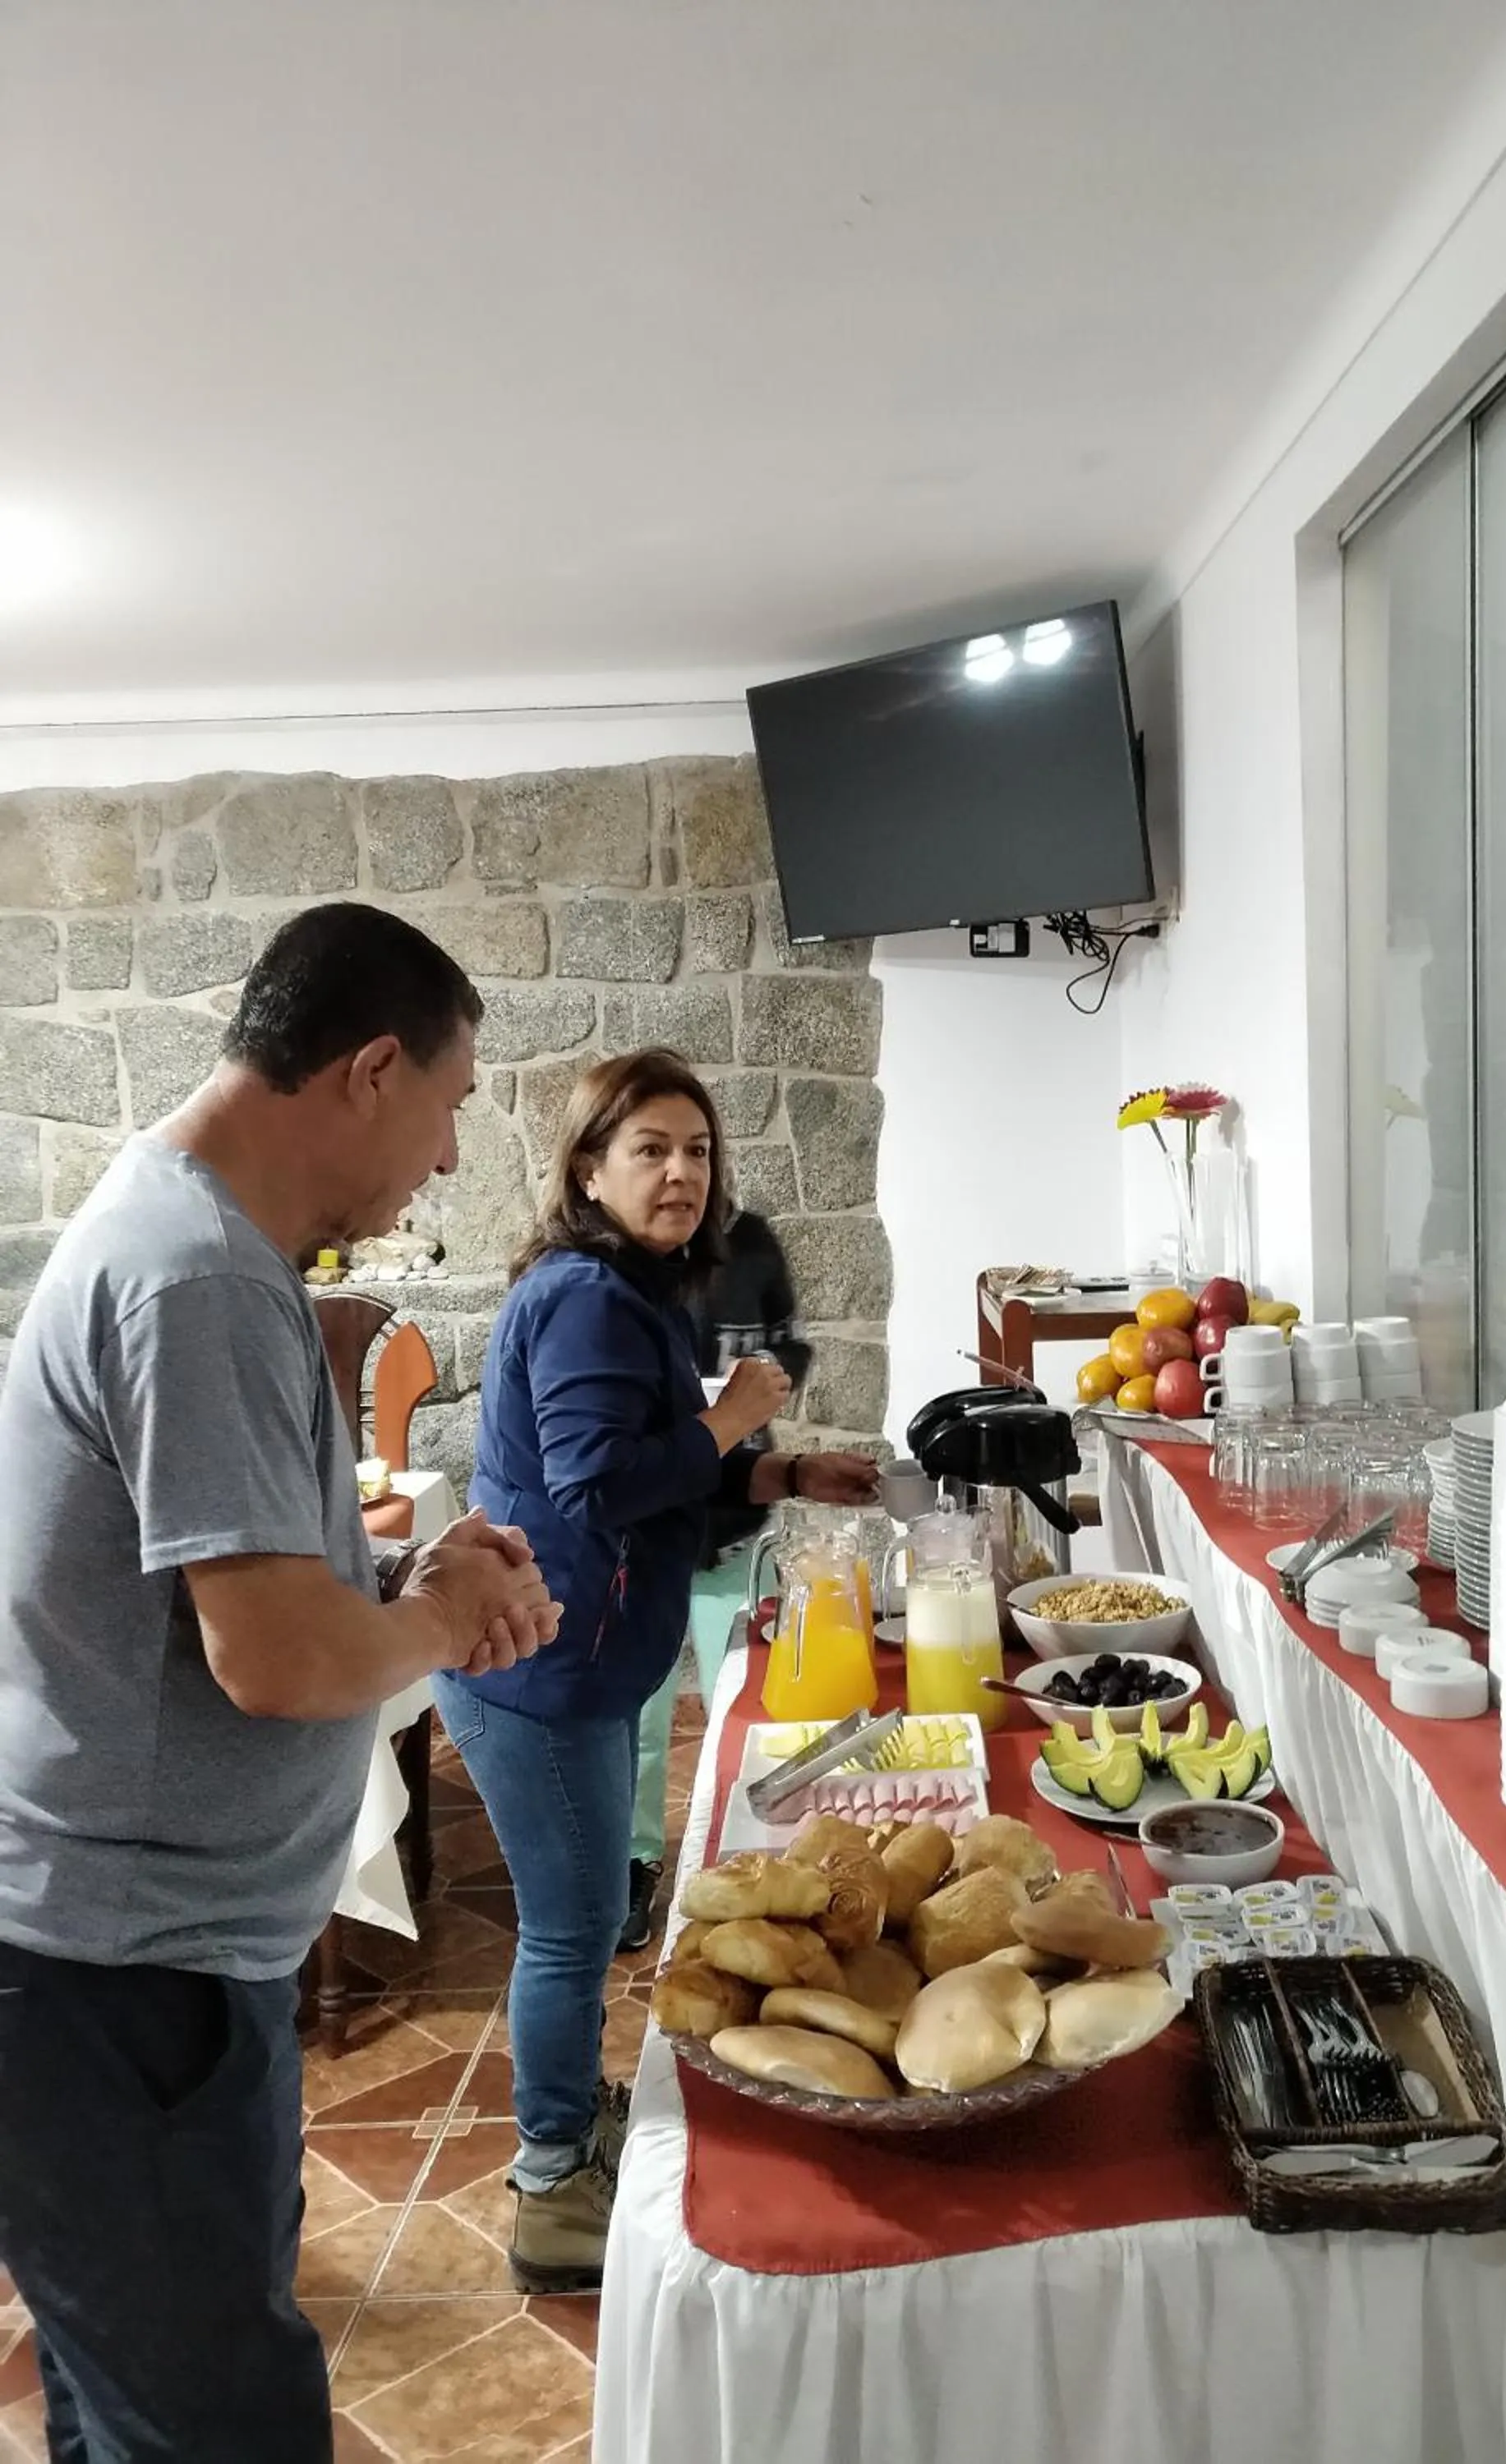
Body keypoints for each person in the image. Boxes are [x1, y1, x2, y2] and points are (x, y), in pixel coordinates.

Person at [0, 901, 561, 2464]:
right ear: (370, 1069)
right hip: (117, 1981)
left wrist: (416, 1591)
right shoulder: (197, 1277)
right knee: (215, 2432)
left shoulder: (196, 1240)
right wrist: (438, 1625)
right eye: (450, 1105)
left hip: (141, 1965)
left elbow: (238, 1607)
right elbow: (278, 1661)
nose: (447, 1159)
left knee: (140, 2414)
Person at [439, 1046, 878, 2292]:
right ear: (588, 1166)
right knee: (572, 1935)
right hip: (535, 1665)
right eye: (649, 1150)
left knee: (577, 1931)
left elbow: (649, 1470)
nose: (680, 1171)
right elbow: (595, 1478)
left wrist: (782, 1471)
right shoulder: (585, 1293)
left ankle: (570, 2121)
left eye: (695, 1150)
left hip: (565, 1650)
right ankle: (548, 2187)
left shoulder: (624, 1286)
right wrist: (736, 1418)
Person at [618, 1202, 813, 1952]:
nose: (683, 1180)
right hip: (652, 1545)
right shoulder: (626, 1282)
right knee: (642, 1722)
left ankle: (755, 1866)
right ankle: (635, 1864)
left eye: (699, 1156)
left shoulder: (756, 1245)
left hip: (734, 1532)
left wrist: (767, 1379)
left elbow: (789, 1344)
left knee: (752, 1714)